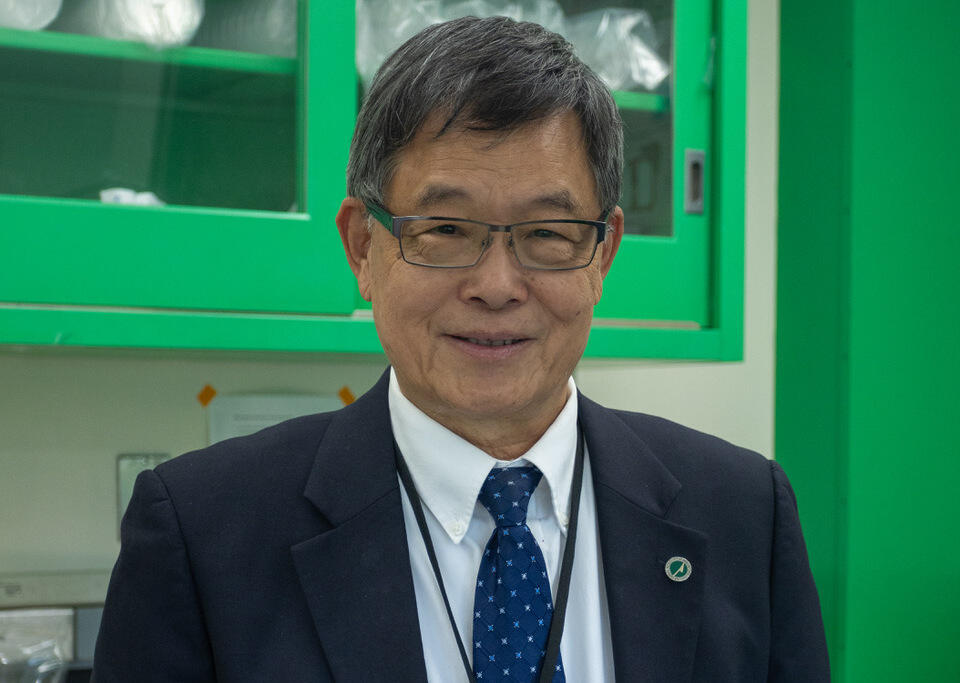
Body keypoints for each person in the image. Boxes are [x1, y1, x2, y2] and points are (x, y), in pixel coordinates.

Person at [92, 16, 829, 683]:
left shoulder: (742, 513)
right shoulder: (201, 534)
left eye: (547, 232)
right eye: (444, 229)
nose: (497, 284)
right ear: (362, 246)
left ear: (602, 255)